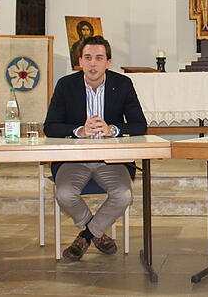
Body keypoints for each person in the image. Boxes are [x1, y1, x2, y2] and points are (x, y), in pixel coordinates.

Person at [44, 35, 147, 262]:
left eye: (99, 58)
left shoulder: (122, 84)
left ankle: (86, 236)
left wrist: (113, 129)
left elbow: (140, 125)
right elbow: (50, 127)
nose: (93, 64)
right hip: (74, 159)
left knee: (123, 195)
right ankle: (97, 233)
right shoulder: (65, 85)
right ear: (79, 61)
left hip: (111, 160)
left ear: (108, 62)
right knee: (64, 193)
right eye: (88, 58)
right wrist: (79, 131)